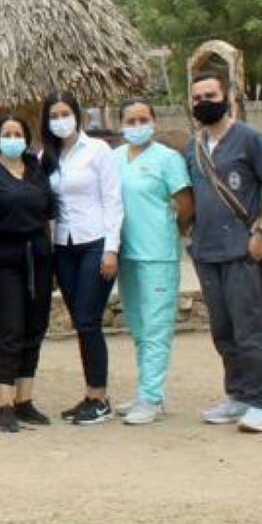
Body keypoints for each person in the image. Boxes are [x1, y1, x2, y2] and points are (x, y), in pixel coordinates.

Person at [183, 71, 262, 434]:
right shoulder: (193, 148)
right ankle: (237, 395)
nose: (203, 102)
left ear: (226, 96)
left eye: (210, 95)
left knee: (250, 327)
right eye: (197, 97)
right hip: (207, 251)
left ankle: (260, 402)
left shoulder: (249, 139)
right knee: (222, 330)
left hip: (242, 250)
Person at [42, 90, 125, 425]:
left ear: (77, 115)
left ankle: (100, 397)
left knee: (89, 319)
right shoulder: (47, 156)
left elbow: (113, 200)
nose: (60, 120)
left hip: (94, 242)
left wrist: (111, 249)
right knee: (81, 322)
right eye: (54, 116)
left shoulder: (98, 150)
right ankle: (90, 394)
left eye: (65, 113)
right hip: (64, 246)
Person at [114, 97, 194, 426]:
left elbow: (185, 205)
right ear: (121, 125)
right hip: (125, 253)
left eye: (142, 119)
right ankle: (145, 390)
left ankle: (152, 397)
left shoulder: (168, 159)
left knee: (157, 327)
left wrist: (170, 232)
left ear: (153, 121)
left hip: (158, 254)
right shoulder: (114, 158)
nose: (137, 126)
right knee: (138, 326)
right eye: (130, 121)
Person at [0, 114, 56, 433]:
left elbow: (49, 215)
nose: (12, 138)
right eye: (6, 133)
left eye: (18, 133)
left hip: (38, 254)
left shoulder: (38, 171)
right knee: (9, 328)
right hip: (4, 255)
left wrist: (50, 258)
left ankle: (25, 400)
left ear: (26, 138)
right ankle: (5, 403)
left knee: (35, 326)